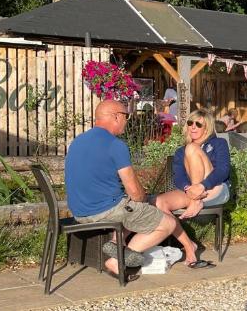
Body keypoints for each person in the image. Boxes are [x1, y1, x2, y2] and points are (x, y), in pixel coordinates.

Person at [64, 100, 179, 279]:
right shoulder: (115, 145)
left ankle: (117, 242)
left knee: (132, 206)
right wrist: (143, 198)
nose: (127, 120)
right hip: (103, 211)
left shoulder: (78, 142)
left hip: (79, 212)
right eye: (126, 116)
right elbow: (135, 193)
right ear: (116, 117)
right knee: (167, 223)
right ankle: (117, 261)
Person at [153, 110, 229, 269]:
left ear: (206, 128)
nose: (193, 127)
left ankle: (196, 201)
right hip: (193, 192)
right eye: (190, 123)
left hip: (214, 188)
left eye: (198, 124)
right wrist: (189, 189)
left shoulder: (219, 144)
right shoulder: (180, 152)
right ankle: (189, 246)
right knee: (160, 202)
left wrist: (202, 186)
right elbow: (179, 177)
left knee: (192, 148)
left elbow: (223, 170)